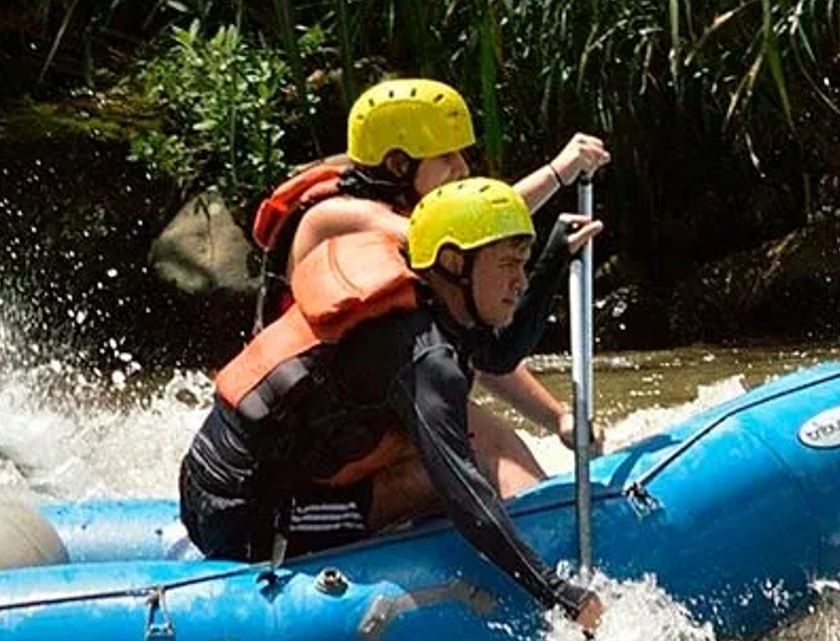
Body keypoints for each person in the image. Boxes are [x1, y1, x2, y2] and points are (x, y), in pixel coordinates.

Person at [181, 178, 604, 631]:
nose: (518, 281)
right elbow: (463, 493)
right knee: (444, 474)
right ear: (454, 262)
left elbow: (496, 354)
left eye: (522, 265)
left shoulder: (432, 293)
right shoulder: (421, 356)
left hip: (239, 475)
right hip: (240, 515)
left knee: (447, 453)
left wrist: (554, 259)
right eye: (507, 265)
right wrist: (557, 594)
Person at [250, 79, 611, 499]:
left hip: (376, 406)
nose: (462, 168)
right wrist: (556, 173)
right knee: (489, 446)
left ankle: (538, 519)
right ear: (400, 165)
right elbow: (474, 232)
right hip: (314, 430)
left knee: (493, 439)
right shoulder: (336, 218)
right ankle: (548, 542)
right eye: (447, 157)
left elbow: (471, 343)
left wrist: (558, 416)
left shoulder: (415, 235)